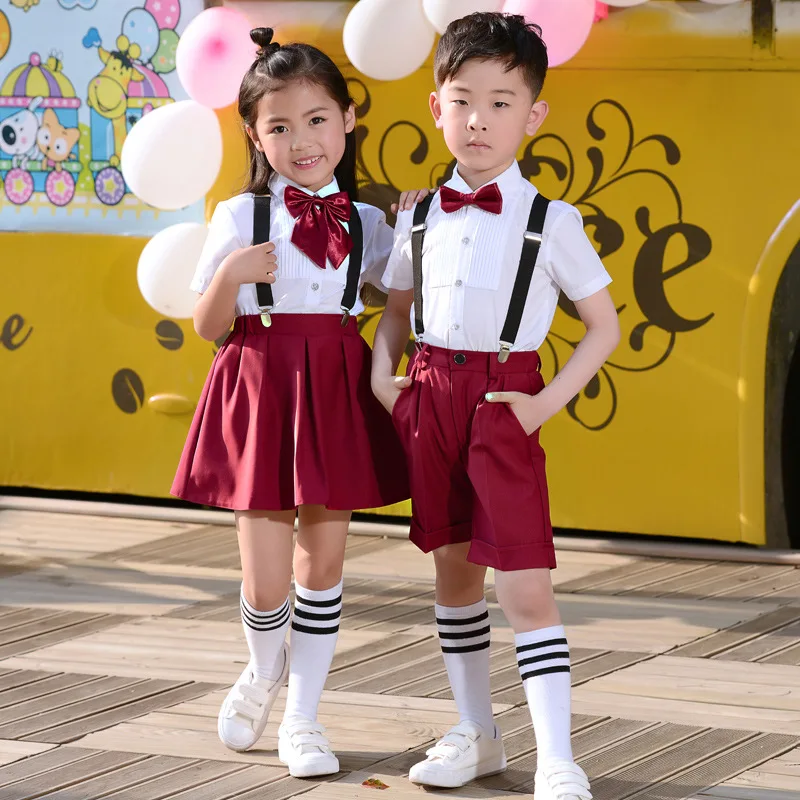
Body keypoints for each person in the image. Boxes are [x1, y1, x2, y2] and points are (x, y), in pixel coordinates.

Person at [371, 12, 620, 800]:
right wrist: (382, 374)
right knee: (453, 576)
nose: (479, 119)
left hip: (505, 402)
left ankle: (557, 756)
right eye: (463, 100)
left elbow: (604, 327)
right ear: (436, 107)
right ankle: (476, 732)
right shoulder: (418, 213)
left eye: (501, 103)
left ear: (533, 115)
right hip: (431, 396)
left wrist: (543, 405)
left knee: (524, 585)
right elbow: (397, 307)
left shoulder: (551, 221)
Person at [172, 27, 420, 778]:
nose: (302, 140)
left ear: (349, 119)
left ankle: (304, 716)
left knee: (324, 563)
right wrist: (232, 274)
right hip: (260, 384)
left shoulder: (366, 223)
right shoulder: (237, 217)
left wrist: (418, 232)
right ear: (255, 135)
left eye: (317, 119)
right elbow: (208, 327)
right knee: (265, 577)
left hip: (335, 386)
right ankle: (262, 669)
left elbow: (404, 298)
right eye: (279, 126)